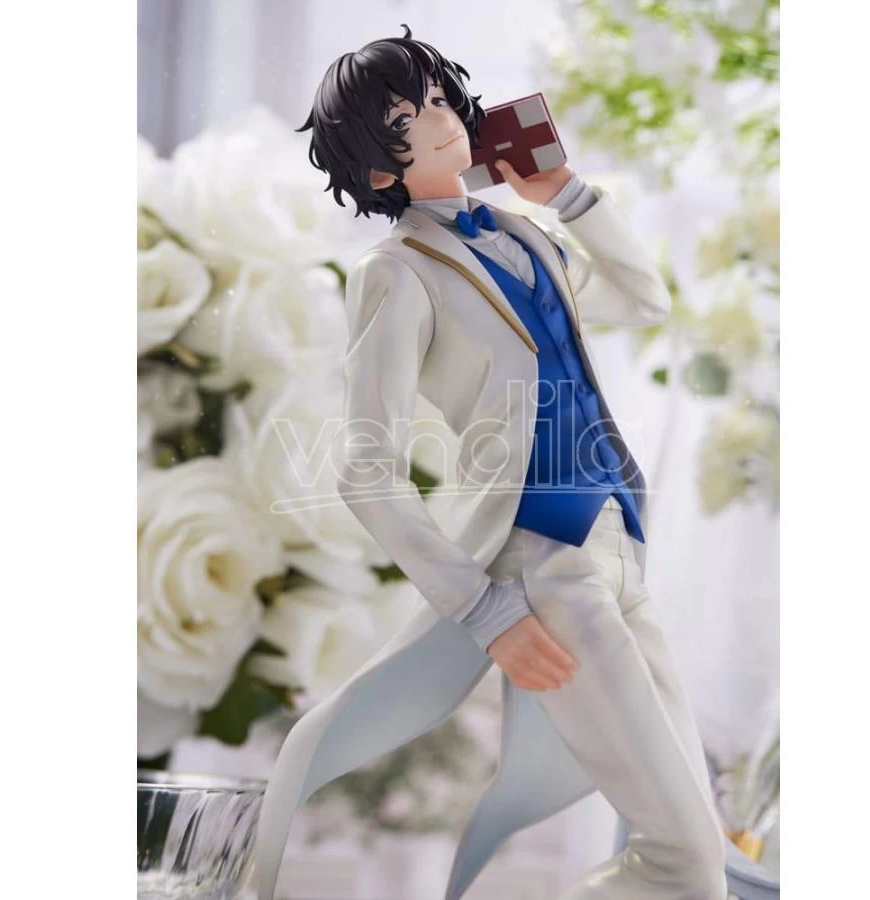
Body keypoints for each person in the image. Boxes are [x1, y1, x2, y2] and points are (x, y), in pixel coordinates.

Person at [247, 26, 728, 900]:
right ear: (379, 171)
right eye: (408, 118)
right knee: (683, 862)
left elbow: (643, 299)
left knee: (702, 855)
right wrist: (484, 608)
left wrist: (566, 194)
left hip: (619, 538)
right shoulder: (396, 273)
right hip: (545, 566)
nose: (441, 120)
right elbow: (366, 468)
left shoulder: (525, 233)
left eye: (439, 98)